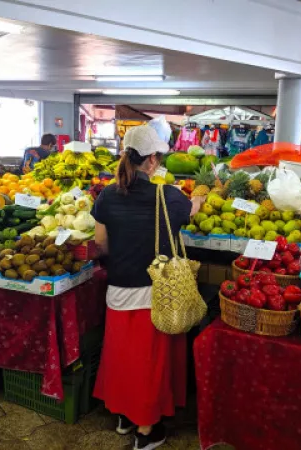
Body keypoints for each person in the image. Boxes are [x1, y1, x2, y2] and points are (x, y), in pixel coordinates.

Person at [91, 125, 192, 450]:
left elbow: (100, 244)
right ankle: (146, 430)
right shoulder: (170, 197)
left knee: (120, 357)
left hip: (118, 289)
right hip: (155, 291)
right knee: (148, 362)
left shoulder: (105, 195)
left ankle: (123, 415)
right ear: (152, 161)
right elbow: (191, 212)